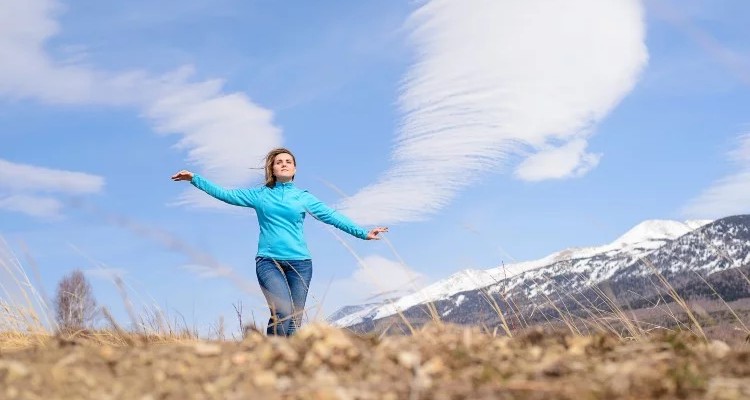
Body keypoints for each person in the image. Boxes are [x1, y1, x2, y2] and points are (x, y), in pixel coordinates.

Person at [171, 147, 387, 336]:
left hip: (301, 264)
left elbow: (332, 216)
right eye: (279, 162)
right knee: (282, 312)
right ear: (272, 169)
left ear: (295, 169)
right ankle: (271, 355)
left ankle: (285, 365)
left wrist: (362, 233)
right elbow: (226, 194)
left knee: (294, 322)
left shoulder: (303, 197)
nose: (284, 164)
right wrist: (194, 179)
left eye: (288, 162)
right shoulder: (260, 195)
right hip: (269, 261)